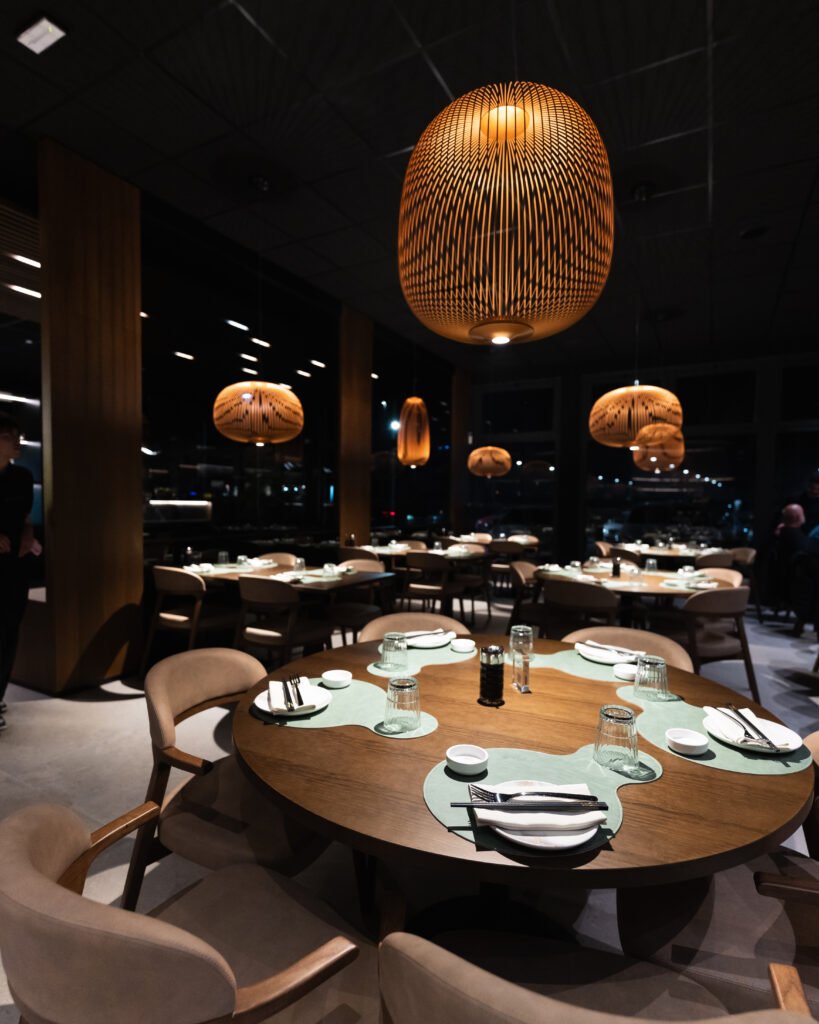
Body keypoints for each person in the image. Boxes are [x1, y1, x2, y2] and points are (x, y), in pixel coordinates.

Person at [0, 414, 37, 731]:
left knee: (10, 631)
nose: (17, 442)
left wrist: (28, 533)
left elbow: (25, 517)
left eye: (17, 435)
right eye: (9, 436)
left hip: (15, 564)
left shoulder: (22, 476)